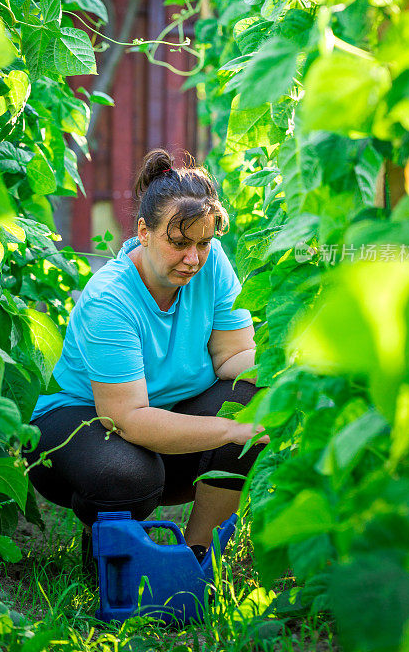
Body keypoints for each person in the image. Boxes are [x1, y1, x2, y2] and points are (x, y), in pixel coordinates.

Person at [23, 149, 267, 577]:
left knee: (253, 398)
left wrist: (294, 369)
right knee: (128, 475)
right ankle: (110, 537)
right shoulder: (110, 299)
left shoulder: (211, 266)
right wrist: (234, 431)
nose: (193, 258)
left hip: (165, 423)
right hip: (82, 429)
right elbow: (128, 419)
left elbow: (233, 358)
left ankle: (197, 559)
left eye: (204, 243)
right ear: (144, 232)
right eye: (179, 243)